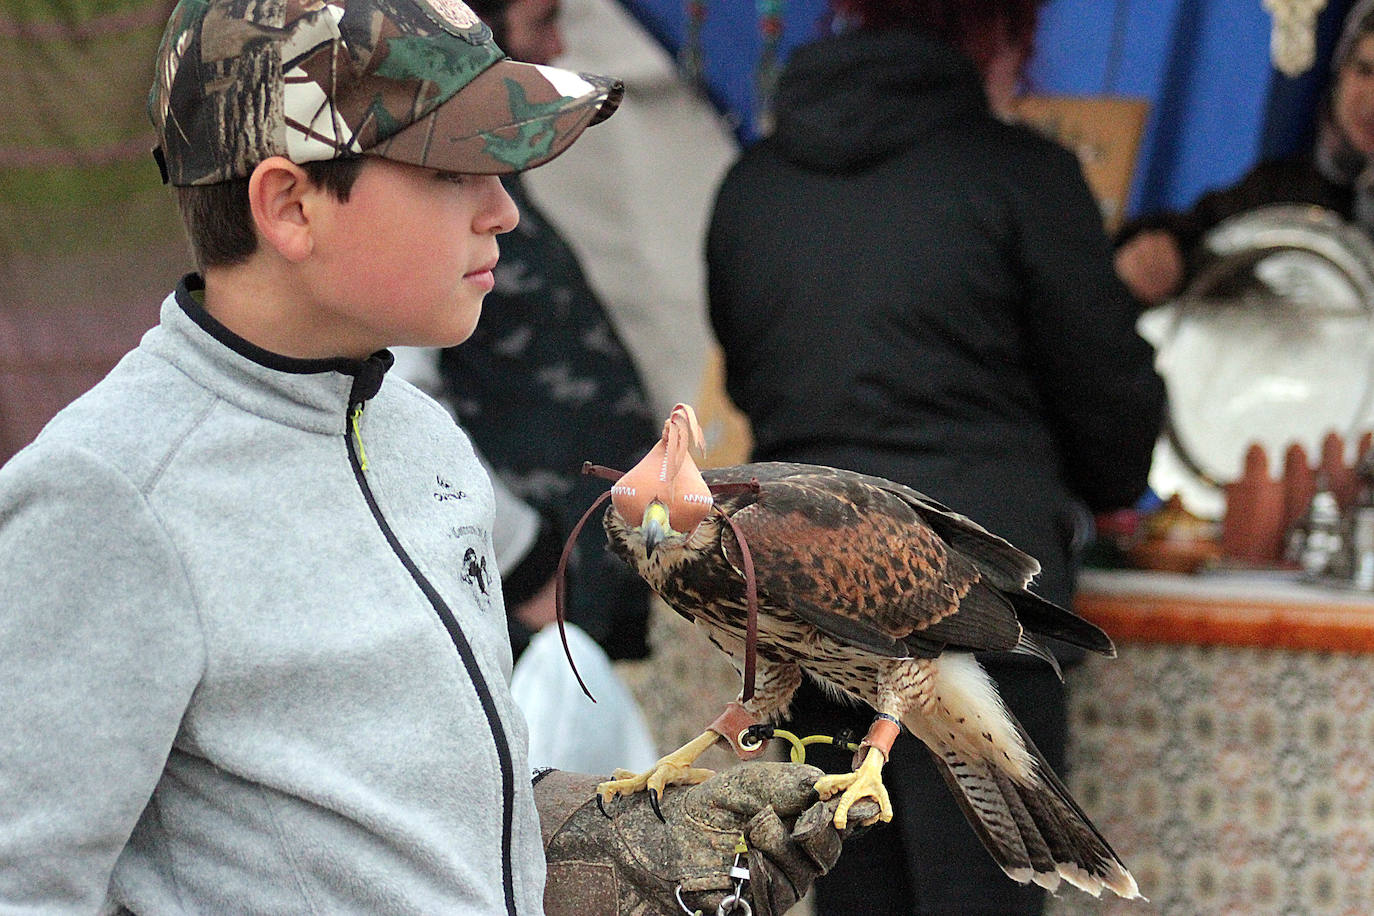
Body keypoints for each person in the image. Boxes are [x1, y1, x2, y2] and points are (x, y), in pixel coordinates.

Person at [0, 1, 865, 912]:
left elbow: (396, 806)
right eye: (455, 170)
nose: (503, 210)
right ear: (290, 206)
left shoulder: (423, 439)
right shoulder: (110, 498)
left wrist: (597, 837)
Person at [705, 0, 1166, 913]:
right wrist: (1100, 486)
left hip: (806, 603)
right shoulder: (1022, 175)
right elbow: (1110, 403)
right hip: (970, 608)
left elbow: (756, 383)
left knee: (852, 892)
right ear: (997, 33)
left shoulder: (752, 184)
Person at [396, 0, 660, 665]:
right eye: (541, 21)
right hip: (553, 592)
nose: (559, 45)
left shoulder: (486, 175)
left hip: (607, 560)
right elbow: (397, 395)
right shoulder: (422, 189)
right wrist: (524, 562)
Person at [1115, 0, 1374, 308]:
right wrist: (1154, 256)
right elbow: (1193, 233)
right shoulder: (1282, 187)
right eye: (1364, 71)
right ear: (1340, 73)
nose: (1371, 99)